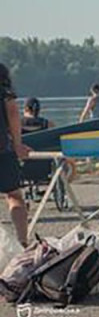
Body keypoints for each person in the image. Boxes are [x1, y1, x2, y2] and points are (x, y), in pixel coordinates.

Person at [0, 63, 32, 247]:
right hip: (3, 151)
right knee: (14, 196)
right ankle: (22, 241)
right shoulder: (5, 93)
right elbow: (13, 116)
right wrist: (18, 144)